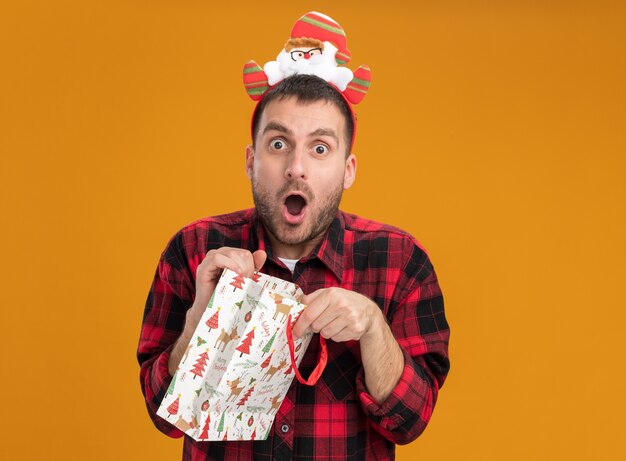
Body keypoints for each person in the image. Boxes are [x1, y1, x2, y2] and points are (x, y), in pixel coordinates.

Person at [138, 12, 449, 461]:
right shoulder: (193, 250)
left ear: (347, 170)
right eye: (278, 143)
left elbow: (411, 421)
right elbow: (161, 416)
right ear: (251, 160)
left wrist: (372, 330)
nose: (296, 166)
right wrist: (200, 320)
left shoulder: (401, 260)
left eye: (319, 148)